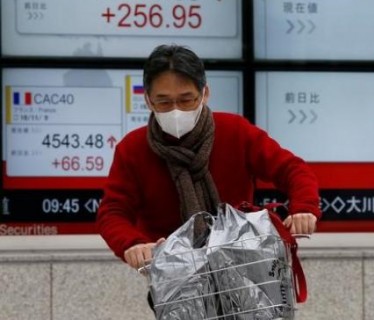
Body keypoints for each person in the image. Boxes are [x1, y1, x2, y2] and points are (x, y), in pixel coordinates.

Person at [96, 44, 320, 272]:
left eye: (186, 100)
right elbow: (113, 211)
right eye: (163, 102)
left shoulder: (235, 131)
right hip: (173, 276)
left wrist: (303, 208)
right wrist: (133, 244)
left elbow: (292, 169)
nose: (176, 110)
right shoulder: (133, 148)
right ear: (148, 101)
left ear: (205, 93)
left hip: (245, 263)